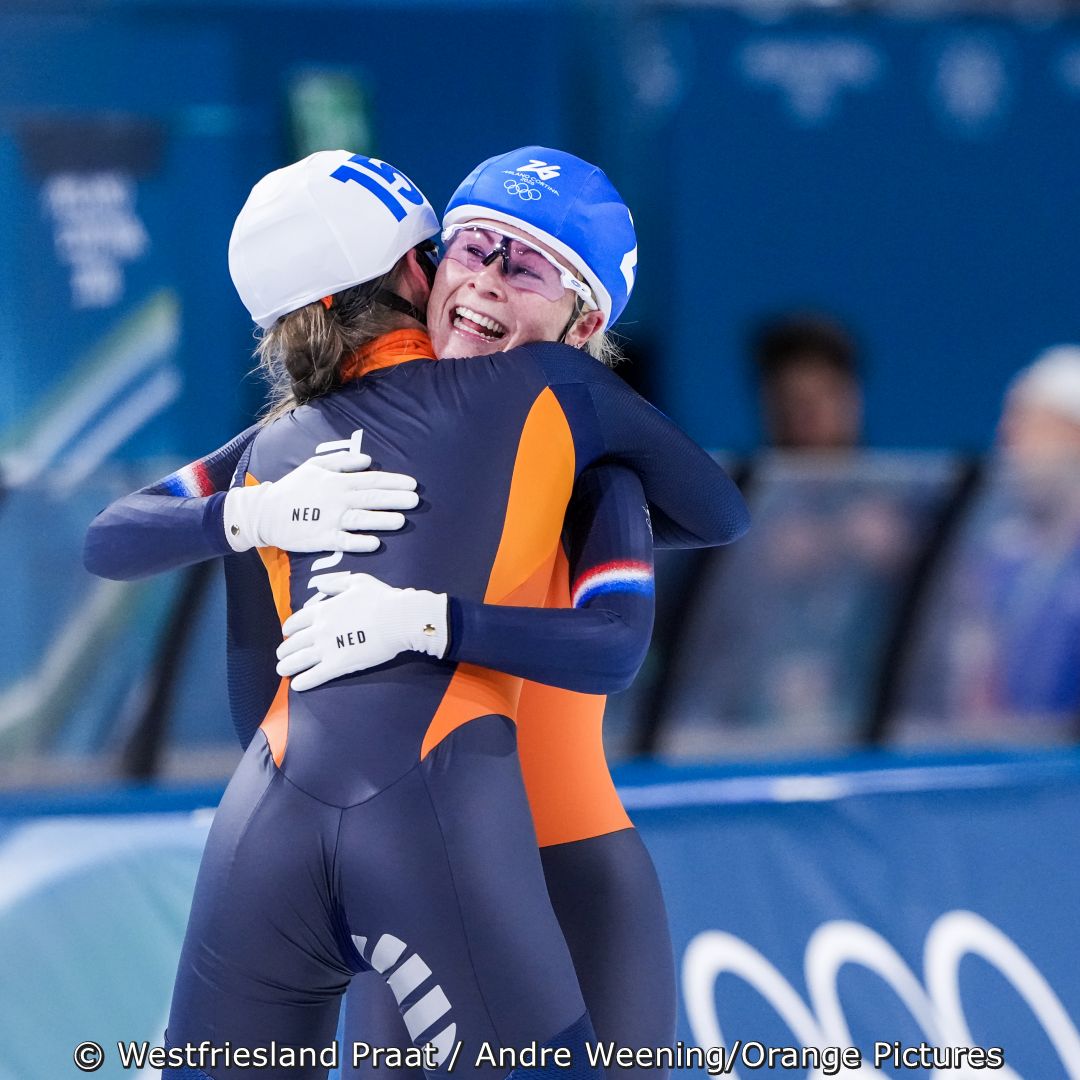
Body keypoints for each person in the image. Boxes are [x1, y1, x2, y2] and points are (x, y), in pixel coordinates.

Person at [87, 150, 748, 1080]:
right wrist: (254, 517)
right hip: (429, 854)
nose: (484, 279)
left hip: (558, 869)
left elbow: (671, 574)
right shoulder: (309, 446)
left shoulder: (598, 466)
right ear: (421, 269)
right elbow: (148, 560)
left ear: (585, 321)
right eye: (469, 249)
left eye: (525, 268)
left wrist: (430, 620)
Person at [751, 311, 863, 450]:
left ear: (853, 399)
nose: (807, 414)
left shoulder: (888, 464)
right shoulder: (733, 464)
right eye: (791, 399)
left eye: (822, 394)